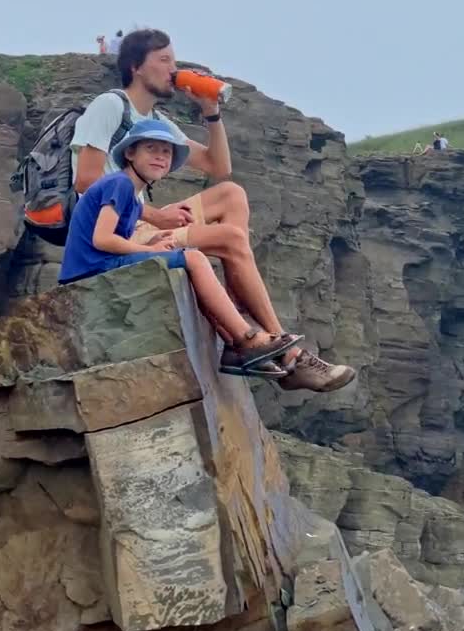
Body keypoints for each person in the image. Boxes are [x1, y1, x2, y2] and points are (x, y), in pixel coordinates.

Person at [71, 28, 355, 392]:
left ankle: (237, 308)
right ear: (135, 67)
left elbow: (217, 167)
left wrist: (212, 114)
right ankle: (288, 354)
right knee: (230, 237)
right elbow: (85, 181)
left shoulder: (156, 120)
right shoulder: (110, 106)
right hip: (126, 229)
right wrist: (155, 216)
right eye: (164, 61)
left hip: (140, 219)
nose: (174, 69)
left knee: (231, 194)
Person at [62, 119, 328, 380]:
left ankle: (239, 342)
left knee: (188, 260)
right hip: (90, 269)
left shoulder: (129, 194)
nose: (160, 157)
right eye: (151, 149)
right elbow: (102, 240)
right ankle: (245, 339)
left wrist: (152, 246)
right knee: (194, 259)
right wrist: (142, 251)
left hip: (98, 264)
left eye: (166, 152)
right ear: (130, 153)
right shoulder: (119, 184)